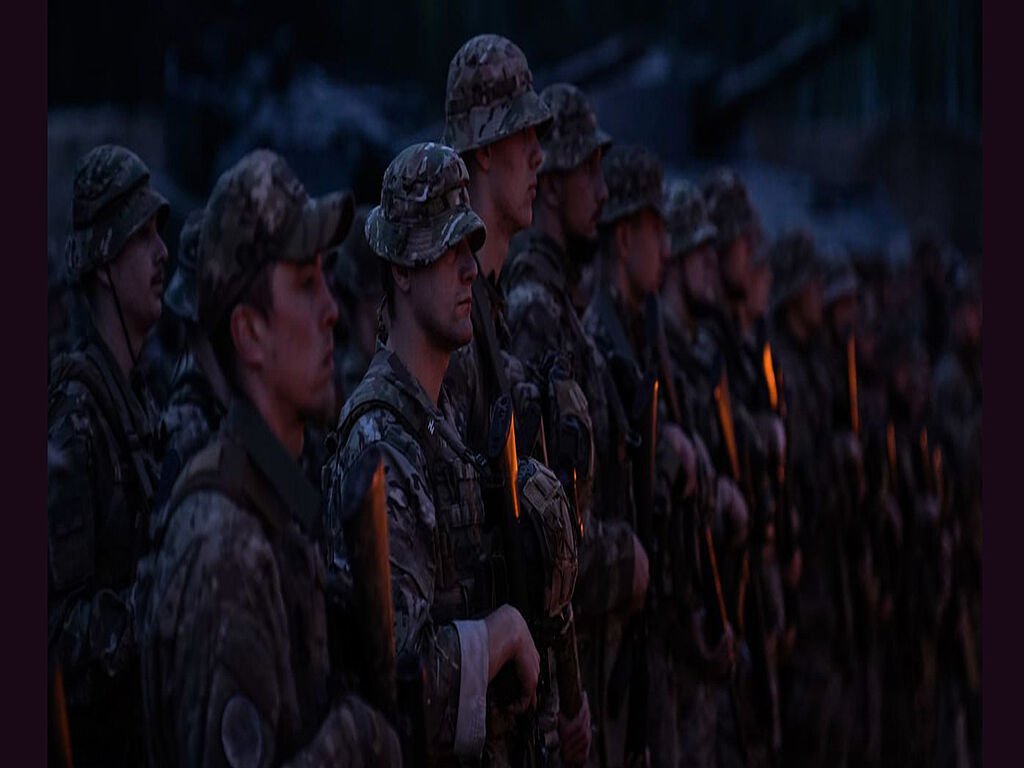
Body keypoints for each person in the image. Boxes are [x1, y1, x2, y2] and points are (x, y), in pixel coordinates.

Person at [137, 149, 400, 767]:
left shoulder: (280, 496)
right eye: (305, 286)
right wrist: (357, 739)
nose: (332, 310)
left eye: (324, 278)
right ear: (250, 334)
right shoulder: (225, 546)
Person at [325, 141, 559, 767]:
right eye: (446, 249)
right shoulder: (382, 440)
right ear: (400, 267)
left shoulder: (439, 416)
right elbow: (400, 681)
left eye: (469, 248)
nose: (467, 269)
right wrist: (501, 635)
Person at [503, 84, 650, 768]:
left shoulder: (561, 306)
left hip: (598, 663)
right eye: (588, 169)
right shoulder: (534, 310)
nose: (602, 186)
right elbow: (541, 528)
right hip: (572, 677)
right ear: (553, 186)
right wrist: (623, 560)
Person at [48, 144, 169, 766]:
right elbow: (56, 631)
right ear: (102, 261)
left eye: (159, 232)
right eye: (140, 236)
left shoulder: (140, 400)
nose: (162, 253)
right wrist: (156, 608)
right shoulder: (76, 417)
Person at [440, 33, 552, 458]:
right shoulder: (454, 322)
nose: (538, 154)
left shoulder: (487, 303)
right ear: (484, 149)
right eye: (523, 132)